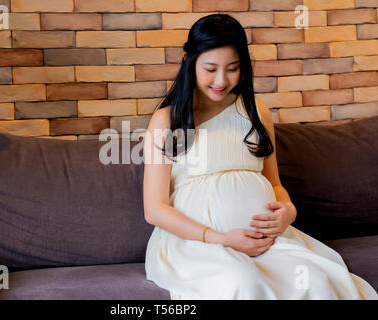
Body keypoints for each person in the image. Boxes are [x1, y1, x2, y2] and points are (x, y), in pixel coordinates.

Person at [142, 13, 378, 300]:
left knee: (314, 279)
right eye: (210, 68)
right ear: (187, 60)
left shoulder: (257, 113)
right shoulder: (167, 121)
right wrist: (222, 238)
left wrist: (288, 210)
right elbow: (154, 209)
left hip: (268, 241)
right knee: (243, 283)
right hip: (198, 244)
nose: (221, 80)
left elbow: (275, 184)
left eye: (232, 68)